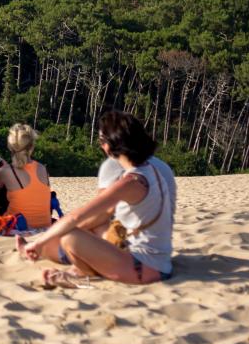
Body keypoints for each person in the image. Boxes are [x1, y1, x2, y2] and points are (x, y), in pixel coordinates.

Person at [18, 111, 176, 287]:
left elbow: (77, 217)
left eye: (102, 141)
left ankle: (79, 276)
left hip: (143, 268)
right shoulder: (150, 170)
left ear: (110, 146)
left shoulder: (131, 182)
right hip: (159, 263)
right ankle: (80, 270)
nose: (101, 146)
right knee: (89, 228)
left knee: (70, 236)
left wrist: (39, 242)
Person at [0, 124, 52, 229]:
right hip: (45, 227)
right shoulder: (42, 168)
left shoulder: (6, 171)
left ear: (10, 146)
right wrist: (6, 169)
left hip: (17, 227)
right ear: (32, 146)